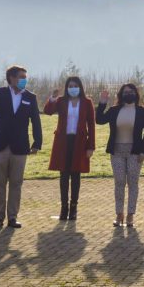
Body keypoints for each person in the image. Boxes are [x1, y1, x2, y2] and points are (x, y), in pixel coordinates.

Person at [0, 66, 43, 229]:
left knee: (16, 183)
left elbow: (36, 121)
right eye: (21, 77)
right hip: (0, 145)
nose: (24, 80)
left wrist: (37, 142)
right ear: (11, 78)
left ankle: (12, 217)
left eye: (25, 77)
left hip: (20, 147)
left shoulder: (30, 97)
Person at [97, 82, 144, 227]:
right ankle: (119, 214)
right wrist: (102, 103)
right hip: (117, 151)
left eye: (131, 92)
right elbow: (99, 120)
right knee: (119, 182)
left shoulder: (142, 111)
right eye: (126, 92)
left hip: (135, 152)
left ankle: (130, 215)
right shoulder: (114, 110)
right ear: (121, 95)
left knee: (133, 183)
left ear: (136, 94)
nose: (129, 94)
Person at [44, 75, 96, 221]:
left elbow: (91, 125)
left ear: (80, 87)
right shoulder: (61, 101)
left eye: (75, 85)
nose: (73, 88)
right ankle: (64, 208)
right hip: (63, 142)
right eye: (70, 86)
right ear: (67, 88)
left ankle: (73, 207)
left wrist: (91, 146)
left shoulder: (87, 102)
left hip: (79, 142)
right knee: (63, 175)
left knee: (76, 175)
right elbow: (47, 111)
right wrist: (53, 98)